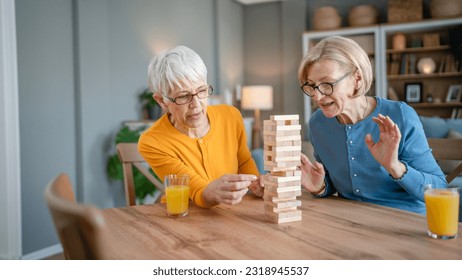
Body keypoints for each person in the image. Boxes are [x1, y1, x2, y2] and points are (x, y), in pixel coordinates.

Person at [297, 36, 446, 214]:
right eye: (312, 86)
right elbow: (331, 182)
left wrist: (395, 167)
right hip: (350, 223)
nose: (317, 97)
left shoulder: (400, 115)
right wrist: (319, 186)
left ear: (357, 79)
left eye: (327, 84)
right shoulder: (317, 123)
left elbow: (440, 190)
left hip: (404, 223)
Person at [138, 45, 263, 208]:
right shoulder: (153, 142)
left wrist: (256, 185)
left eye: (202, 91)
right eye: (184, 96)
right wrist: (211, 194)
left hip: (230, 214)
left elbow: (244, 161)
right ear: (162, 101)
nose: (196, 104)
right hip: (184, 218)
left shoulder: (231, 116)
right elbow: (197, 189)